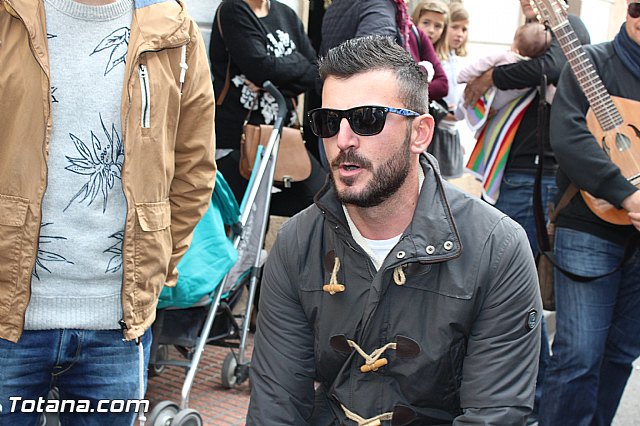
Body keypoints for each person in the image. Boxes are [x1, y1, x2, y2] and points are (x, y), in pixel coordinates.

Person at [247, 35, 542, 425]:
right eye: (329, 122)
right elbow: (276, 404)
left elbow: (494, 414)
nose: (343, 140)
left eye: (367, 119)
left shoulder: (497, 248)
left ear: (419, 133)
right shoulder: (297, 242)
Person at [0, 0, 216, 424]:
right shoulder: (11, 14)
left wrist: (156, 269)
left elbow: (194, 171)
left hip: (117, 326)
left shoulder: (174, 29)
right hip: (7, 319)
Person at [538, 1, 640, 424]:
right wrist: (626, 195)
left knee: (621, 353)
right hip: (589, 228)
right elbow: (568, 137)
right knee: (579, 354)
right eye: (637, 7)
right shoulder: (591, 63)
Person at [210, 0, 326, 217]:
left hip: (282, 136)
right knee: (246, 222)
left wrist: (274, 82)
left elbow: (315, 71)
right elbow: (261, 68)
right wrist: (294, 66)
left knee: (321, 197)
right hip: (240, 139)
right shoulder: (233, 10)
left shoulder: (286, 14)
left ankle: (263, 214)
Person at [458, 22, 553, 112]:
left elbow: (482, 64)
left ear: (516, 45)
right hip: (502, 105)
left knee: (465, 103)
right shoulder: (533, 70)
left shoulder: (506, 56)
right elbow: (547, 91)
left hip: (488, 93)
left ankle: (458, 112)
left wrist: (462, 76)